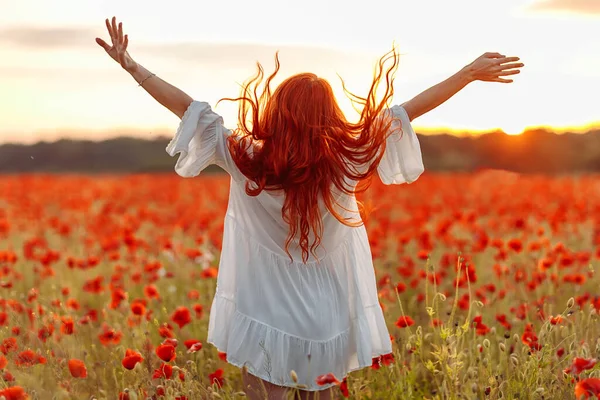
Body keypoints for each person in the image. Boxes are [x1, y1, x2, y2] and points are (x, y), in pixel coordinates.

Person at [96, 16, 523, 400]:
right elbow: (409, 110)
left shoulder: (246, 157)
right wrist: (468, 74)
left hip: (263, 311)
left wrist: (132, 66)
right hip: (326, 317)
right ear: (330, 116)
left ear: (277, 112)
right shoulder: (349, 158)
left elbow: (188, 107)